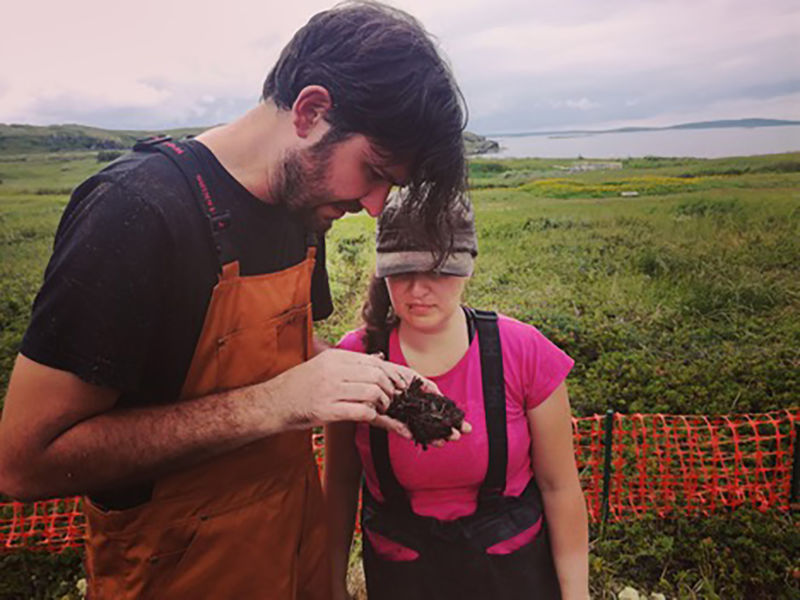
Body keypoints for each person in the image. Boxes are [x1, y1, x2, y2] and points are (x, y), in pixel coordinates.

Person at [0, 3, 470, 598]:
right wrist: (273, 404)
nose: (375, 205)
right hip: (177, 573)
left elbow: (286, 349)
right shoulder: (135, 212)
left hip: (292, 550)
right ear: (311, 111)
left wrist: (374, 382)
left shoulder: (304, 210)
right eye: (373, 171)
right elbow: (25, 461)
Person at [325, 192, 589, 600]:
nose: (418, 289)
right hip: (404, 577)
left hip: (512, 572)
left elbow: (560, 487)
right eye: (402, 272)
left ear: (468, 266)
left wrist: (576, 596)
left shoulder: (524, 352)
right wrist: (327, 585)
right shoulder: (355, 358)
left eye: (438, 272)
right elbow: (340, 484)